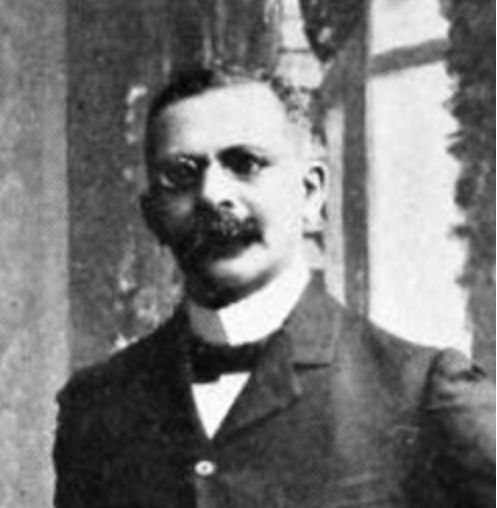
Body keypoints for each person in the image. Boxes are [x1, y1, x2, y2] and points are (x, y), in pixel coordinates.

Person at [53, 67, 495, 508]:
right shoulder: (96, 406)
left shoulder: (422, 395)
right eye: (181, 173)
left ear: (311, 193)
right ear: (153, 216)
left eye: (245, 164)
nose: (211, 195)